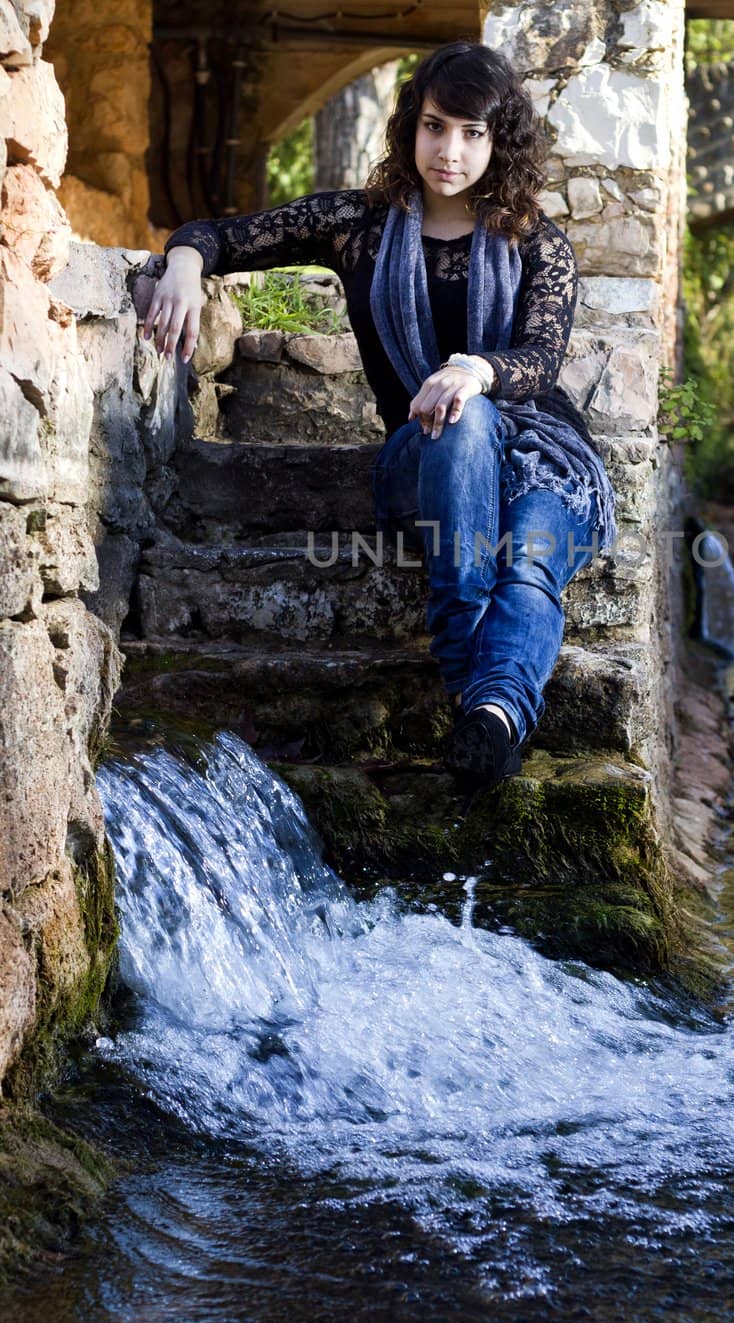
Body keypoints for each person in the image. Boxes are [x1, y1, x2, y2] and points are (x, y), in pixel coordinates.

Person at [144, 41, 617, 793]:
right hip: (422, 463)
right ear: (410, 128)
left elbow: (539, 359)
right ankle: (474, 682)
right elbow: (220, 233)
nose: (450, 151)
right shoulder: (356, 225)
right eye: (435, 127)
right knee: (456, 424)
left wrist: (472, 368)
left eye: (472, 133)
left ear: (501, 143)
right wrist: (182, 266)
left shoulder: (536, 247)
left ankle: (490, 719)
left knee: (528, 557)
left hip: (540, 457)